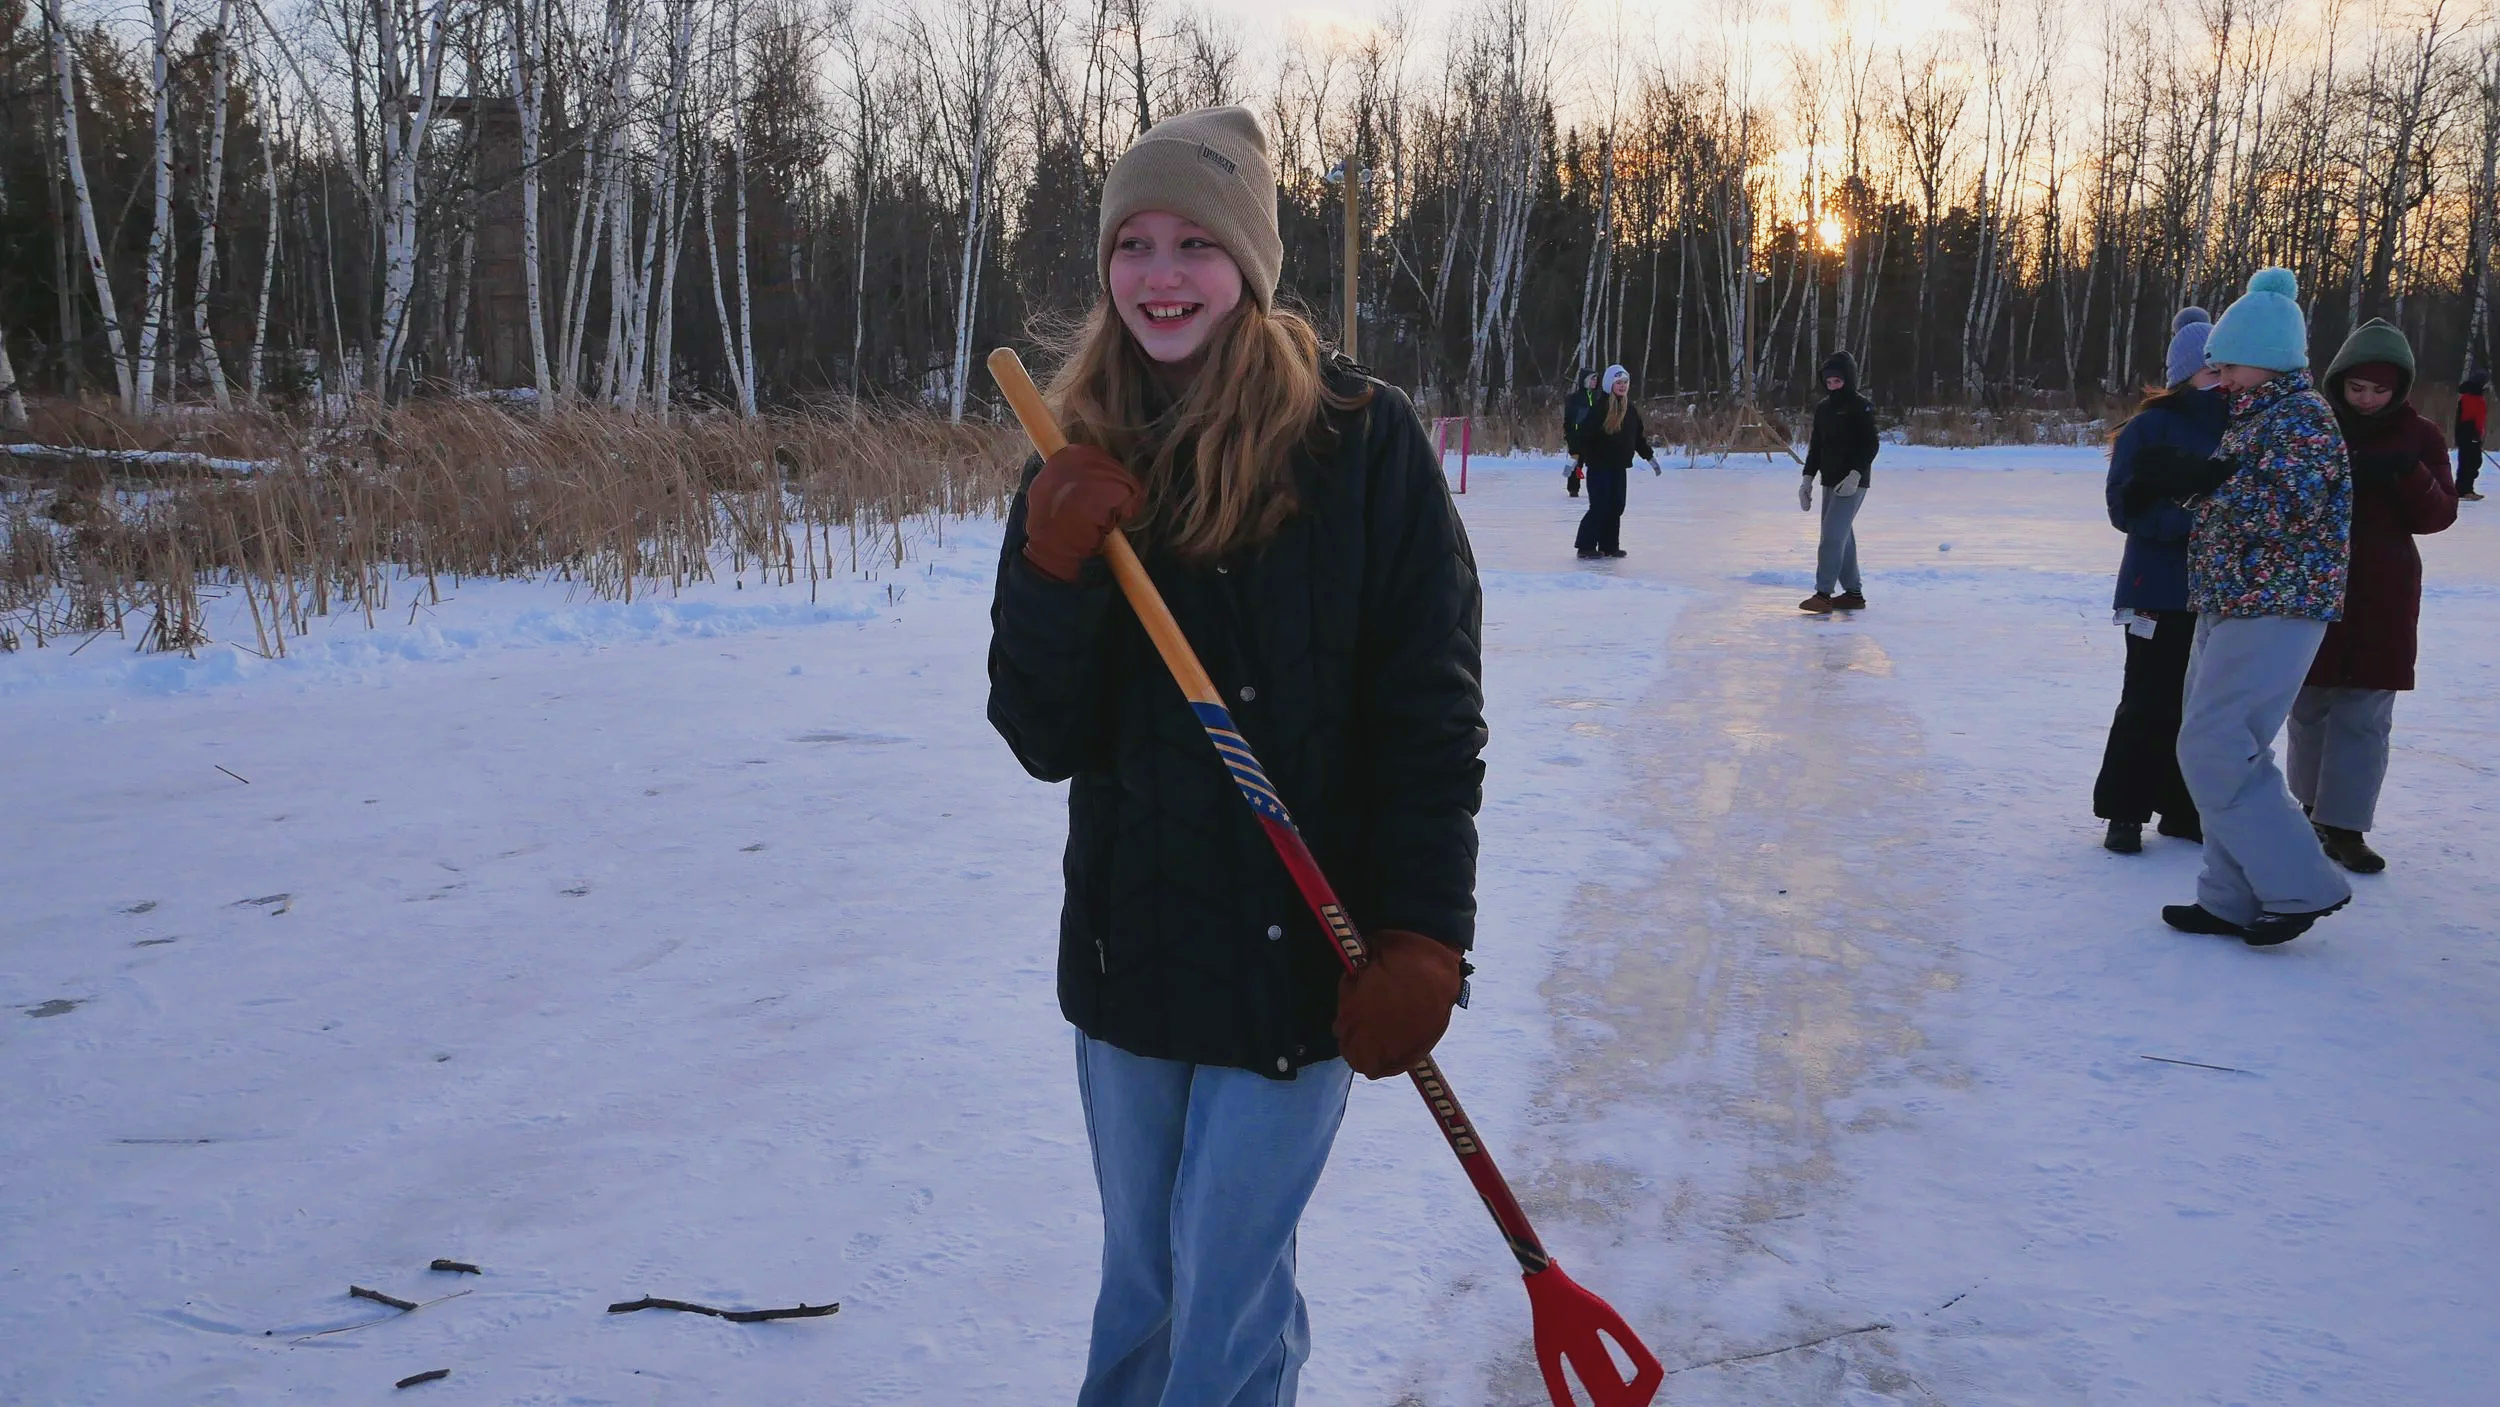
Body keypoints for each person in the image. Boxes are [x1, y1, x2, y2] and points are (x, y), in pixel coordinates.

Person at [985, 106, 1485, 1407]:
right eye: (1133, 243)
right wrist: (1054, 566)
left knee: (1224, 1300)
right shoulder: (1072, 451)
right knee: (1148, 1290)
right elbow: (1042, 734)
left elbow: (1427, 713)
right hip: (1133, 962)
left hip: (1306, 967)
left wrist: (1426, 935)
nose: (1159, 274)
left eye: (1195, 243)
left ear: (1251, 266)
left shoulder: (1362, 445)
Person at [2124, 267, 2352, 946]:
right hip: (2230, 597)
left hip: (2278, 602)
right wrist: (2192, 487)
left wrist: (2202, 488)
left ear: (2267, 360)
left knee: (2215, 745)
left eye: (2228, 365)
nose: (2218, 377)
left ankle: (2301, 883)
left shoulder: (2303, 418)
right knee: (2224, 745)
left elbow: (2288, 509)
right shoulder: (2257, 415)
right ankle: (2230, 895)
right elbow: (2235, 504)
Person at [2288, 319, 2458, 874]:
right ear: (2338, 382)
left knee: (2364, 713)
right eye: (2357, 388)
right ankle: (2309, 810)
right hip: (2312, 584)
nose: (2366, 399)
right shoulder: (2312, 424)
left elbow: (2438, 515)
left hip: (2383, 589)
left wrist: (2407, 473)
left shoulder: (2421, 435)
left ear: (2399, 388)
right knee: (2309, 705)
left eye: (2379, 390)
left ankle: (2346, 826)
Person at [2094, 308, 2221, 854]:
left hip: (2215, 591)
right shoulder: (2149, 428)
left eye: (2227, 368)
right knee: (2147, 697)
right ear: (2185, 374)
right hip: (2154, 589)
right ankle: (2125, 811)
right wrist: (2194, 522)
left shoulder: (2244, 425)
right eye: (2212, 370)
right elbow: (2125, 506)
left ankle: (2182, 807)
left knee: (2199, 703)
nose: (2223, 380)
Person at [1797, 351, 1879, 612]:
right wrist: (1807, 479)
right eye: (1829, 382)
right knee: (1842, 536)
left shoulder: (1861, 406)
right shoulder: (1824, 408)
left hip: (1853, 482)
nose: (1833, 386)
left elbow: (1870, 445)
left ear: (1849, 379)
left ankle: (1823, 594)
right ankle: (1853, 594)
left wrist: (1856, 474)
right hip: (1830, 482)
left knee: (1831, 537)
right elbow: (1817, 446)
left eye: (1838, 381)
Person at [1571, 363, 1659, 560]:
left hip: (1619, 467)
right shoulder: (1599, 409)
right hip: (1599, 466)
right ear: (1610, 384)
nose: (1623, 386)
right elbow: (1584, 435)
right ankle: (1585, 546)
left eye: (1625, 382)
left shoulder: (1631, 411)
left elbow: (1638, 439)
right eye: (1618, 382)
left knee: (1617, 506)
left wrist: (1650, 457)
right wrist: (1576, 457)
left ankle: (1609, 545)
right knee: (1600, 506)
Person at [1562, 371, 1600, 497]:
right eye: (1592, 379)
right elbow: (1568, 420)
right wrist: (1570, 436)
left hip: (1594, 437)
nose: (1595, 381)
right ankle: (1573, 489)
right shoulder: (1574, 398)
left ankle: (1596, 488)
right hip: (1578, 436)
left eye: (1596, 379)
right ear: (1585, 381)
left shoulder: (1598, 397)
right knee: (1576, 462)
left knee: (1596, 464)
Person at [2456, 373, 2486, 501]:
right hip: (2469, 434)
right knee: (2471, 461)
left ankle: (2463, 489)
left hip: (2470, 433)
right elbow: (2467, 417)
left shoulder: (2474, 396)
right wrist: (2473, 433)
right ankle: (2465, 490)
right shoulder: (2471, 397)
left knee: (2470, 461)